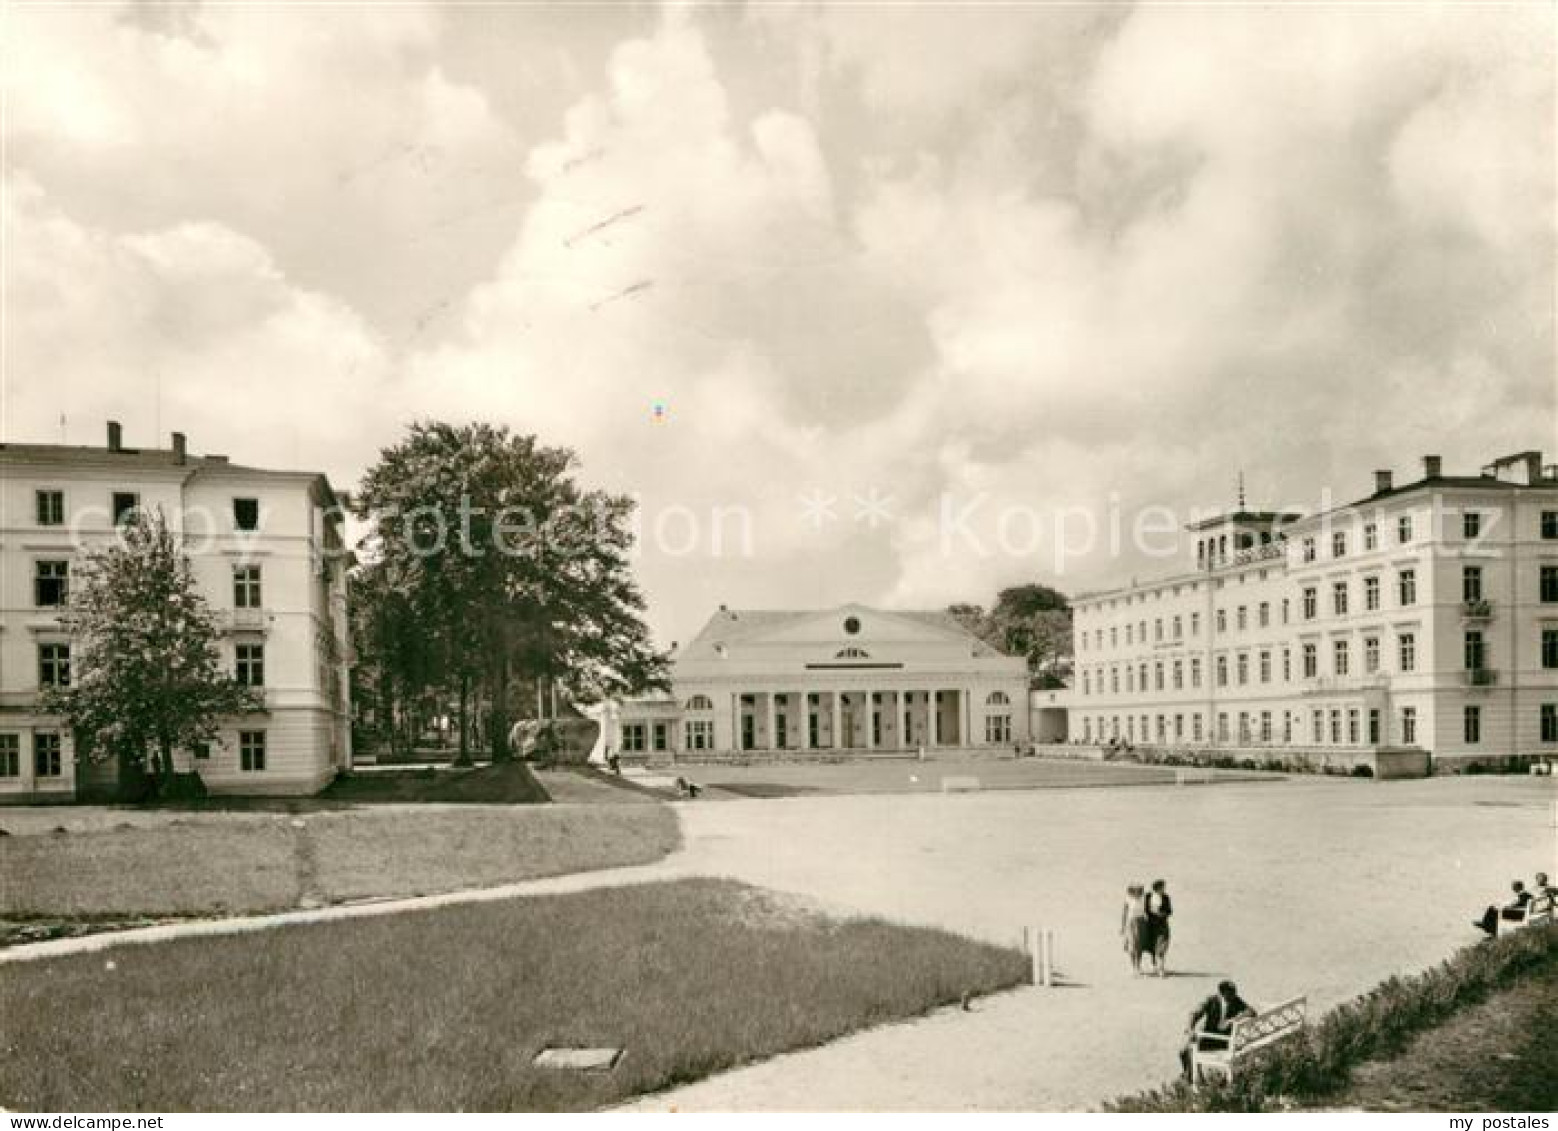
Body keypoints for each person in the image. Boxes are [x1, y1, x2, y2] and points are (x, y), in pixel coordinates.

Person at [1179, 980, 1256, 1081]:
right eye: (1231, 993)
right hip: (1209, 1038)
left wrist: (1233, 1020)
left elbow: (1251, 1011)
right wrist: (1190, 1029)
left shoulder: (1236, 1000)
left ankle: (1192, 1078)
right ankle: (1192, 1076)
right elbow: (1194, 1014)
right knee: (1183, 1051)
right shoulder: (1211, 1000)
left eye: (1234, 992)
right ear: (1221, 993)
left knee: (1187, 1050)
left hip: (1225, 1041)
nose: (1234, 995)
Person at [1145, 879, 1174, 976]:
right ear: (1157, 888)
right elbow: (1144, 909)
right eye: (1163, 887)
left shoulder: (1166, 897)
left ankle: (1161, 968)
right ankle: (1155, 966)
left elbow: (1170, 911)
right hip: (1151, 924)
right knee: (1153, 946)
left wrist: (1162, 914)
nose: (1164, 889)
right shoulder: (1148, 896)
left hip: (1162, 924)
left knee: (1162, 946)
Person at [1120, 883, 1149, 974]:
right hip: (1131, 923)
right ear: (1132, 890)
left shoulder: (1144, 898)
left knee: (1140, 946)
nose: (1137, 891)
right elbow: (1124, 914)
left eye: (1139, 889)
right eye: (1135, 889)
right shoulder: (1128, 899)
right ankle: (1133, 967)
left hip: (1142, 923)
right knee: (1132, 945)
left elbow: (1147, 910)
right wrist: (1122, 926)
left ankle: (1138, 966)